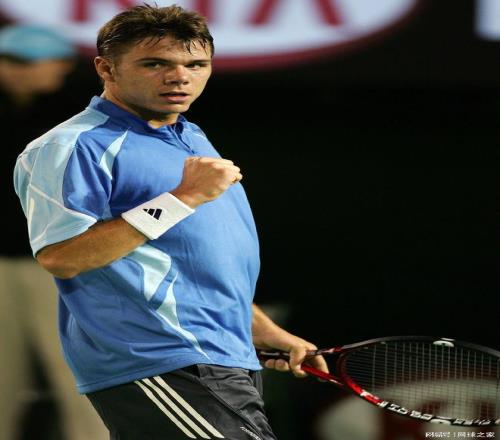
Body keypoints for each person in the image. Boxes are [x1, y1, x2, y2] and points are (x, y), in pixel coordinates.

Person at [13, 5, 328, 439]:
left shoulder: (190, 135)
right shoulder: (71, 146)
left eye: (196, 65)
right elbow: (63, 257)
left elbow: (190, 264)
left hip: (221, 354)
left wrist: (262, 330)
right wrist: (184, 197)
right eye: (154, 64)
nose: (179, 77)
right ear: (106, 68)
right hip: (159, 357)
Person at [0, 24, 108, 440]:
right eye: (7, 61)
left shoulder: (86, 118)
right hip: (7, 263)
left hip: (64, 263)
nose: (13, 70)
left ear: (62, 65)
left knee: (76, 371)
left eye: (25, 61)